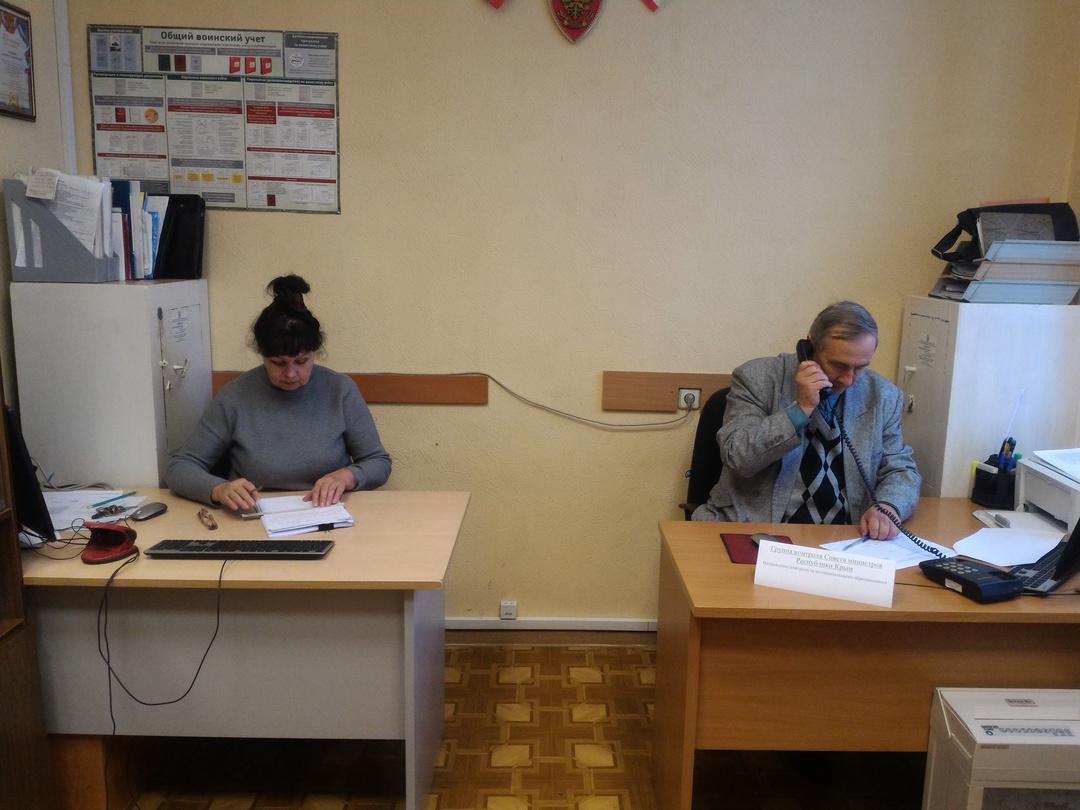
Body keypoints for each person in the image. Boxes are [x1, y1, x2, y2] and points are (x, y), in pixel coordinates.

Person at [692, 301, 920, 539]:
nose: (848, 380)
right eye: (838, 366)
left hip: (843, 537)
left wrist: (889, 506)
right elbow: (738, 458)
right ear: (810, 347)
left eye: (860, 367)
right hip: (757, 530)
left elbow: (901, 469)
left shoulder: (883, 395)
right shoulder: (757, 378)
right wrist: (800, 409)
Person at [166, 274, 391, 511]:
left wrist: (346, 476)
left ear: (315, 353)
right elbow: (180, 467)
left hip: (326, 512)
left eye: (301, 361)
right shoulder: (235, 396)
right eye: (278, 363)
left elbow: (378, 462)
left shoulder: (340, 390)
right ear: (262, 355)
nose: (290, 373)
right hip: (255, 514)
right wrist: (219, 489)